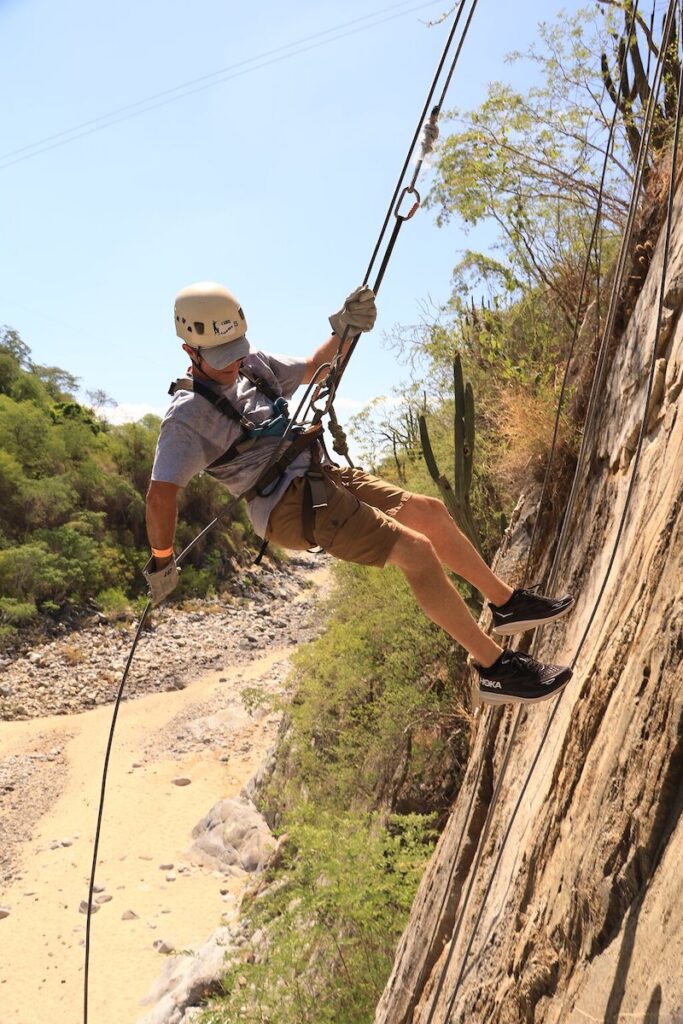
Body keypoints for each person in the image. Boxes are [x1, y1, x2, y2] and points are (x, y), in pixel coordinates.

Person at [145, 282, 575, 706]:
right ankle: (495, 670)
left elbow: (317, 366)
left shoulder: (254, 365)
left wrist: (345, 330)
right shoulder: (186, 418)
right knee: (417, 552)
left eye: (236, 348)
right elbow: (161, 494)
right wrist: (163, 560)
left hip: (319, 475)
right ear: (189, 351)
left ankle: (506, 604)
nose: (233, 363)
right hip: (287, 506)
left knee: (428, 512)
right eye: (221, 358)